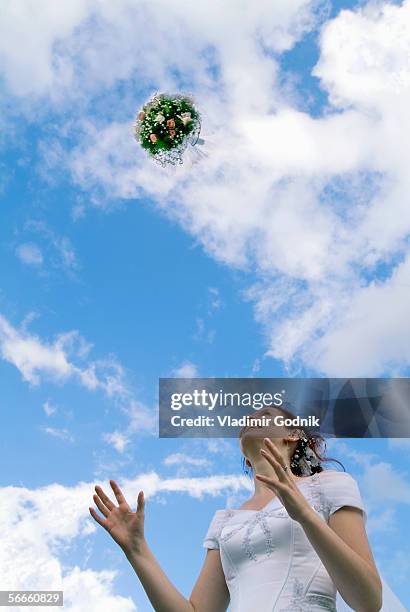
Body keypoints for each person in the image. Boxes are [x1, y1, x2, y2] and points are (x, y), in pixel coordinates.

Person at [89, 405, 383, 611]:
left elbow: (368, 601)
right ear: (244, 454)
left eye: (265, 415)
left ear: (292, 434)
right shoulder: (226, 521)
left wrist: (305, 515)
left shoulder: (330, 484)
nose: (253, 418)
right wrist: (137, 550)